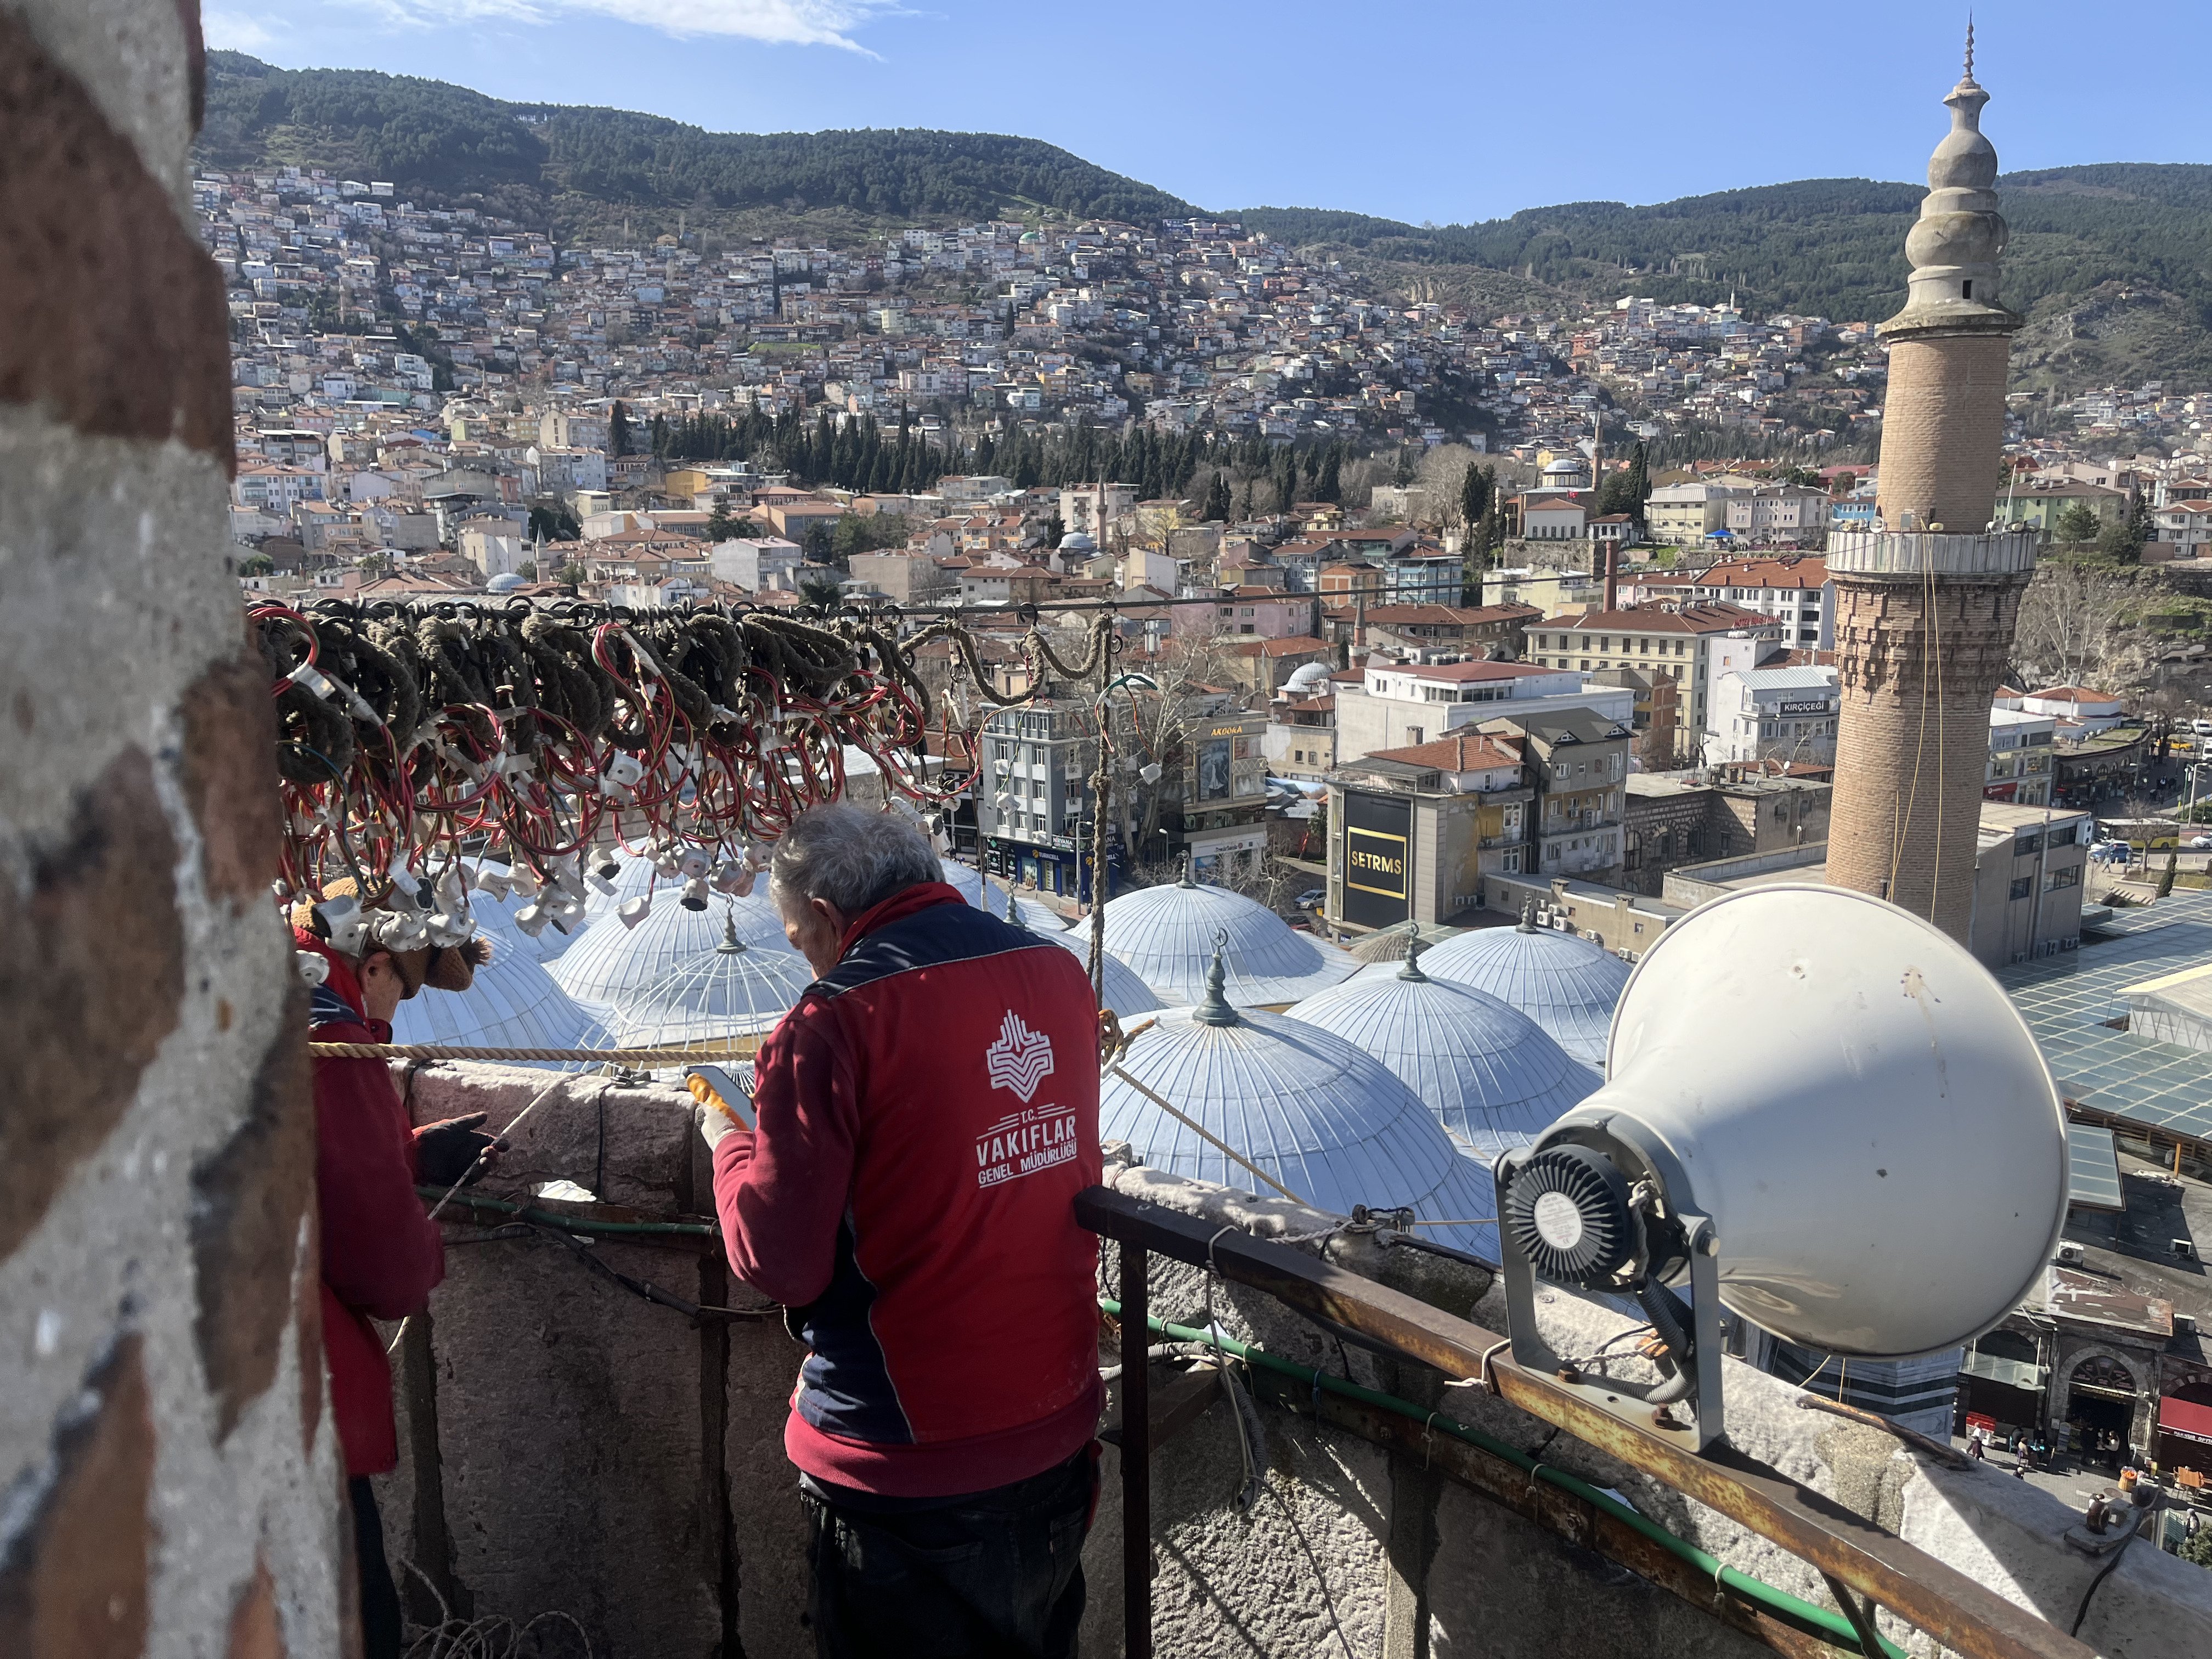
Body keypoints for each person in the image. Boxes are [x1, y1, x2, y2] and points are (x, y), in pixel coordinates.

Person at [699, 805, 1103, 1659]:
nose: (807, 960)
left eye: (800, 938)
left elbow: (780, 1262)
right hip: (1057, 1430)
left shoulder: (832, 1021)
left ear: (832, 921)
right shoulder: (1057, 971)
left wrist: (731, 1147)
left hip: (904, 1464)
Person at [294, 881, 498, 1659]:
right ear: (374, 963)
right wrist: (422, 1244)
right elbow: (385, 1266)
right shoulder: (334, 1039)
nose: (393, 1014)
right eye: (401, 992)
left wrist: (406, 1151)